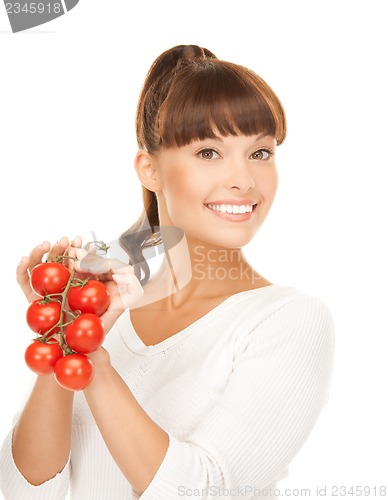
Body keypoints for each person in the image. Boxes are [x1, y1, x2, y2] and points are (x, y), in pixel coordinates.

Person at [0, 44, 335, 500]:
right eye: (209, 152)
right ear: (149, 170)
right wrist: (65, 334)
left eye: (260, 152)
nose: (245, 180)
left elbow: (201, 491)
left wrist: (94, 362)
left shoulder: (287, 321)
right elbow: (22, 492)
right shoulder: (108, 316)